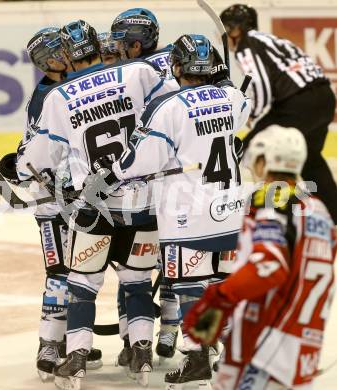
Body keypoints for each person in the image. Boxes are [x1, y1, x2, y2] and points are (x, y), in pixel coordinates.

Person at [16, 19, 176, 389]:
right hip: (143, 202)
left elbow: (35, 159)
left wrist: (19, 167)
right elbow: (178, 99)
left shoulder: (57, 97)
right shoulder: (138, 72)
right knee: (136, 279)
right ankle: (140, 352)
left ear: (68, 54)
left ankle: (72, 355)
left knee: (81, 283)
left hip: (91, 207)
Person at [99, 33, 250, 388]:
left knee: (189, 286)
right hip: (229, 210)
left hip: (187, 218)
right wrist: (224, 81)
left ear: (176, 66)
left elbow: (142, 159)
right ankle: (230, 352)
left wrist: (111, 174)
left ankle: (197, 358)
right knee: (220, 283)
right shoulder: (230, 97)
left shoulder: (168, 106)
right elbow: (241, 111)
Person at [185, 125, 337, 389]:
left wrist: (219, 299)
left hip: (264, 348)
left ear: (263, 160)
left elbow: (270, 265)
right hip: (303, 350)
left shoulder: (271, 198)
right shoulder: (320, 209)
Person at [0, 27, 101, 382]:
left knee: (82, 274)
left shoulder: (62, 88)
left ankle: (69, 337)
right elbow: (37, 153)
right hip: (54, 203)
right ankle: (48, 342)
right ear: (52, 59)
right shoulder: (50, 94)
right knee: (60, 275)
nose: (71, 52)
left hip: (78, 199)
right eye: (63, 50)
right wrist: (21, 169)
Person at [220, 4, 337, 225]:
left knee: (250, 146)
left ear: (236, 29)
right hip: (324, 98)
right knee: (311, 160)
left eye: (227, 28)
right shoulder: (273, 40)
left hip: (296, 102)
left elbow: (261, 83)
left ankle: (245, 209)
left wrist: (255, 116)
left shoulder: (245, 45)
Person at [111, 8, 181, 365]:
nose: (118, 49)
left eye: (123, 43)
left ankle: (136, 339)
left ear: (137, 43)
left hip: (151, 176)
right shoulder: (178, 57)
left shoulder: (140, 72)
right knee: (176, 259)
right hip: (184, 177)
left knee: (135, 264)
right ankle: (169, 328)